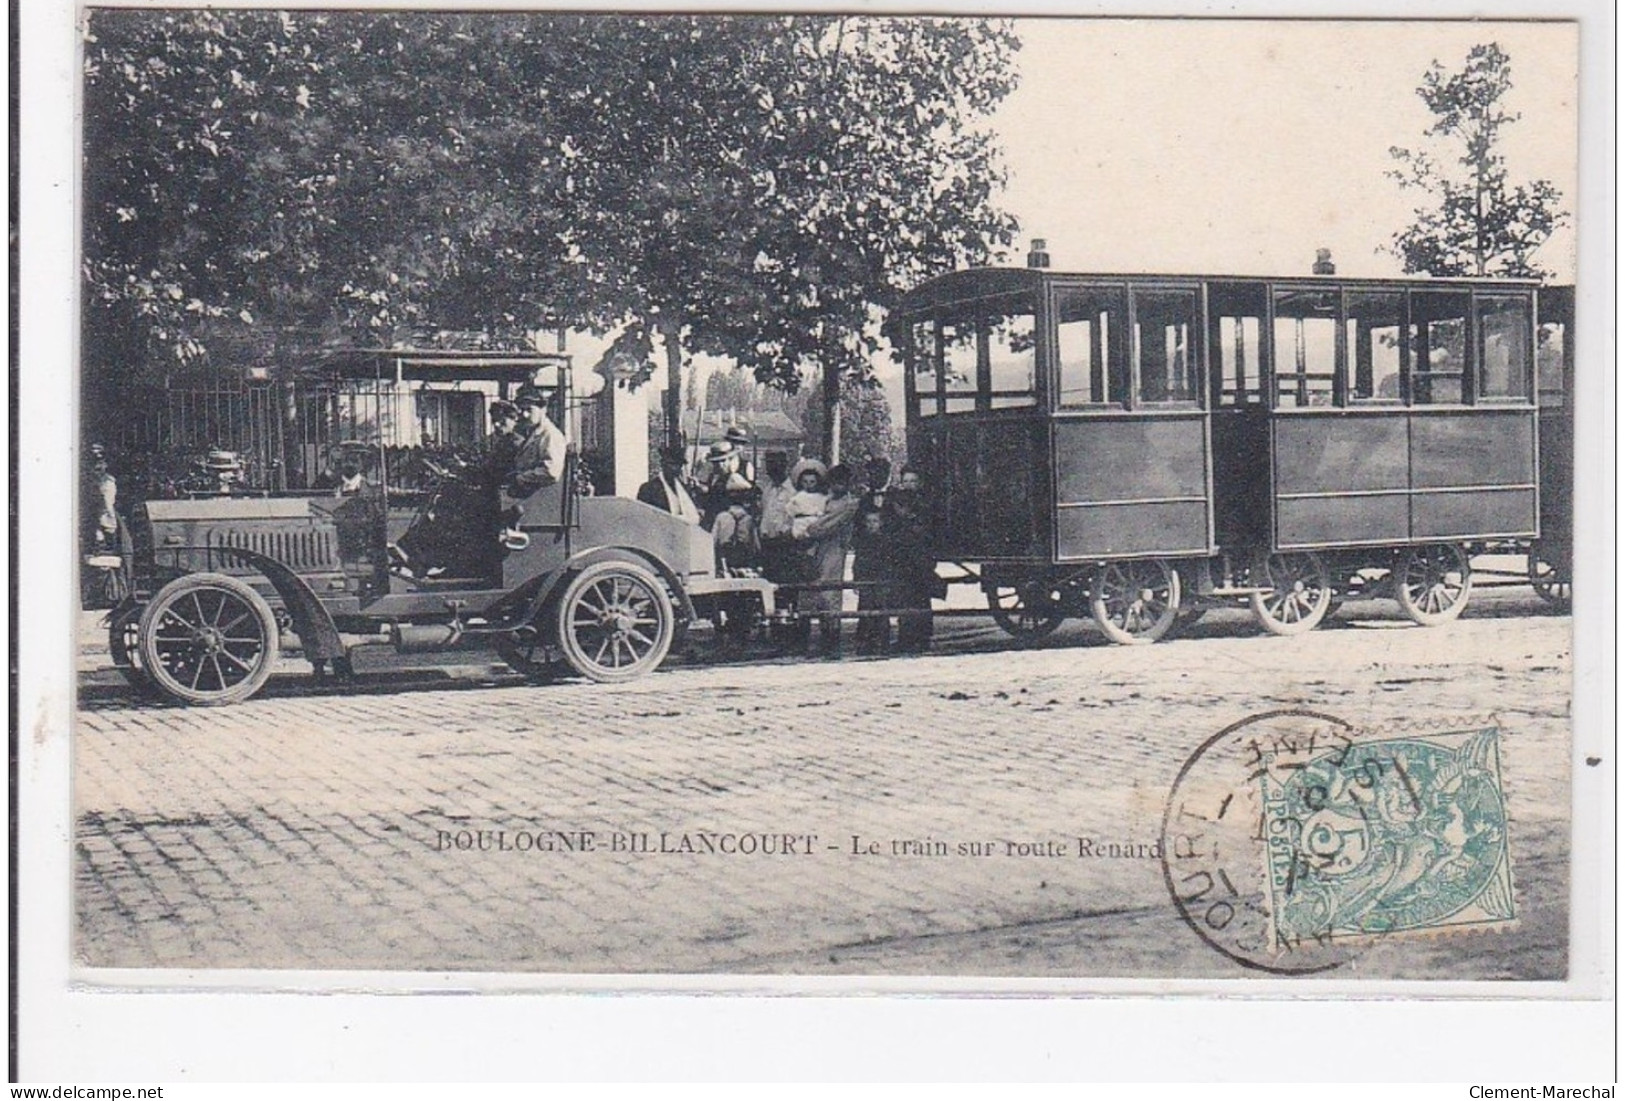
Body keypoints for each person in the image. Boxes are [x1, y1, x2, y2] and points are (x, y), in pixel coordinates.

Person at [802, 463, 859, 656]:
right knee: (814, 590)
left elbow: (828, 524)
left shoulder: (849, 505)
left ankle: (832, 637)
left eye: (841, 483)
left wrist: (811, 528)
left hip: (835, 547)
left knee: (831, 592)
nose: (837, 487)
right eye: (834, 483)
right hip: (817, 548)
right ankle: (821, 633)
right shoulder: (825, 500)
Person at [884, 465, 937, 652]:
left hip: (920, 553)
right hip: (902, 554)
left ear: (919, 483)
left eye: (913, 481)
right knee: (904, 595)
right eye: (906, 481)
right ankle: (906, 636)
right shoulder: (895, 501)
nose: (909, 485)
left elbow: (926, 527)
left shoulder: (926, 501)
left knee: (921, 595)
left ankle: (923, 637)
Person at [509, 384, 568, 493]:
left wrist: (521, 478)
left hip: (539, 499)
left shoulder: (550, 435)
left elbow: (551, 472)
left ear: (543, 409)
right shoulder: (531, 432)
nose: (524, 414)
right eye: (521, 410)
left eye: (529, 409)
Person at [637, 446, 702, 525]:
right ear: (663, 464)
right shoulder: (649, 489)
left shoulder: (685, 489)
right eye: (673, 464)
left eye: (679, 465)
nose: (677, 469)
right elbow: (642, 517)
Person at [480, 400, 523, 490]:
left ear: (514, 419)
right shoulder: (499, 441)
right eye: (494, 420)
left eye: (502, 420)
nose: (496, 424)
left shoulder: (518, 443)